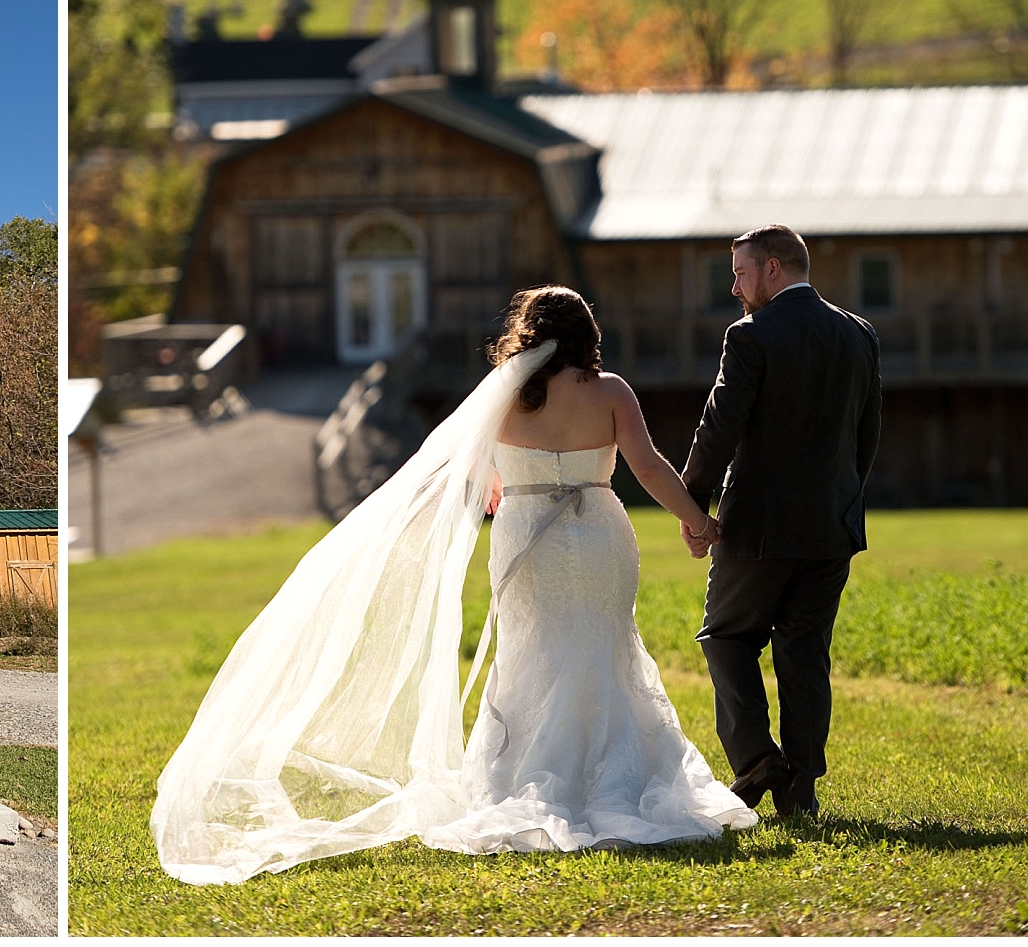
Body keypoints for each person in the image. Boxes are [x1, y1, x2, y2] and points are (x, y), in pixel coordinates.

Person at [153, 286, 754, 884]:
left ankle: (526, 777)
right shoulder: (610, 391)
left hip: (524, 537)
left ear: (527, 334)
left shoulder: (505, 396)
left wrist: (503, 476)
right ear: (586, 333)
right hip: (598, 532)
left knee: (530, 652)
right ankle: (612, 776)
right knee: (602, 644)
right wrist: (698, 521)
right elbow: (647, 466)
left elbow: (471, 470)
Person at [681, 225, 881, 822]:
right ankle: (801, 788)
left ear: (772, 268)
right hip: (833, 527)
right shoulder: (859, 333)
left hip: (759, 530)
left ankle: (756, 761)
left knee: (727, 638)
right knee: (804, 654)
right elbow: (865, 436)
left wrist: (694, 506)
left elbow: (720, 428)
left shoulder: (750, 336)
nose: (735, 287)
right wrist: (842, 499)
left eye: (740, 273)